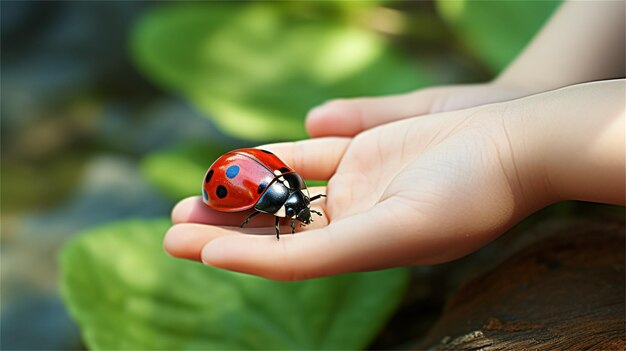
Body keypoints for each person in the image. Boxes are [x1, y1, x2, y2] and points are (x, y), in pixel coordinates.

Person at [164, 1, 625, 281]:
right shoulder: (277, 193)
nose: (302, 209)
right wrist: (540, 84)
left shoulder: (273, 193)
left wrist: (518, 152)